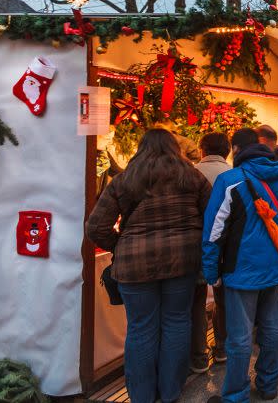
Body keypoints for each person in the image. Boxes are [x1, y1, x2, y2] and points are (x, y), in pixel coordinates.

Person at [87, 129, 212, 403]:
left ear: (141, 149)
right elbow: (212, 218)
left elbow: (96, 227)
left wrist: (121, 244)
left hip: (135, 266)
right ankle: (170, 393)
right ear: (174, 148)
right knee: (177, 322)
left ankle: (142, 396)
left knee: (141, 328)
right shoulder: (193, 177)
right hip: (182, 261)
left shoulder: (124, 180)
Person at [203, 128, 278, 402]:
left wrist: (212, 272)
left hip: (240, 270)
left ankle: (236, 395)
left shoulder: (229, 181)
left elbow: (213, 233)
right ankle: (268, 384)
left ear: (236, 150)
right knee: (271, 327)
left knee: (240, 337)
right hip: (276, 268)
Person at [191, 133, 233, 372]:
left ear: (201, 149)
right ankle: (222, 348)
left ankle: (198, 357)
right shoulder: (233, 175)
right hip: (226, 247)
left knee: (196, 300)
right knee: (223, 299)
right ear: (228, 151)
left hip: (195, 244)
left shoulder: (191, 173)